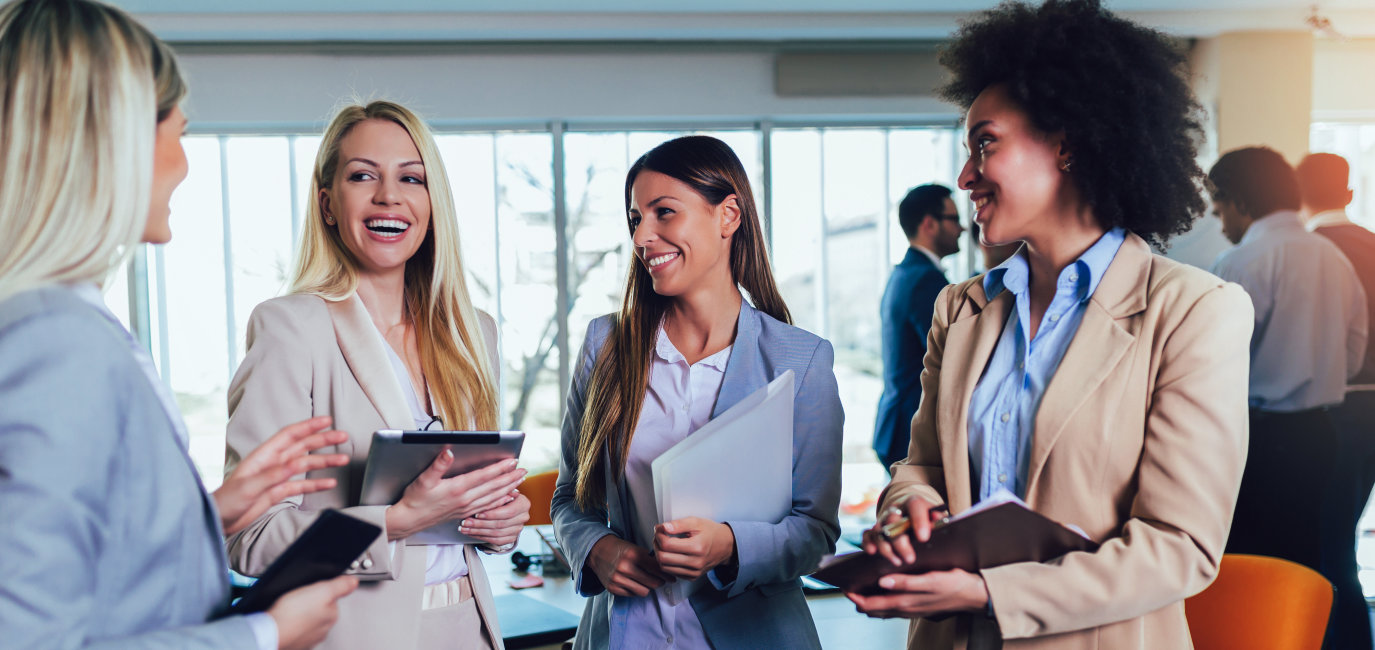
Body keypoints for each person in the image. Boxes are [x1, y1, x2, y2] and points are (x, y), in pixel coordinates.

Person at [847, 1, 1254, 648]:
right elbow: (917, 466)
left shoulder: (1193, 311)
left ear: (1066, 144)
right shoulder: (961, 309)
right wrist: (909, 511)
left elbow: (1178, 548)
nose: (964, 177)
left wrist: (990, 594)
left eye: (985, 143)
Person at [0, 1, 358, 648]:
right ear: (120, 138)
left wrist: (207, 513)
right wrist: (261, 635)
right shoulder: (56, 343)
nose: (186, 164)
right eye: (180, 133)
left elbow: (89, 563)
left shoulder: (69, 322)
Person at [224, 100, 531, 650]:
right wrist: (395, 521)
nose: (389, 195)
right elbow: (250, 540)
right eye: (363, 175)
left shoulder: (473, 333)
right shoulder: (291, 329)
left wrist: (498, 522)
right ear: (327, 204)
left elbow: (467, 504)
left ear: (432, 203)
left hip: (470, 627)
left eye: (410, 178)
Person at [550, 135, 844, 649]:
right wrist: (596, 548)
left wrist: (731, 545)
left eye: (664, 213)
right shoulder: (606, 346)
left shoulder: (803, 360)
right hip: (623, 635)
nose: (643, 236)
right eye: (636, 219)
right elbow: (570, 500)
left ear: (728, 216)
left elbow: (815, 531)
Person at [1209, 148, 1367, 568]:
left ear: (1240, 201)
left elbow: (1213, 363)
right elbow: (1354, 348)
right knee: (1311, 558)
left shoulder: (1239, 262)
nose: (1218, 220)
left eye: (1218, 205)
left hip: (1259, 437)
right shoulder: (1334, 258)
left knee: (1249, 561)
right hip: (1321, 433)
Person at [1298, 151, 1375, 650]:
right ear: (1349, 194)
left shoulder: (1309, 254)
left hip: (1333, 410)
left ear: (1300, 198)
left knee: (1327, 542)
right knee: (1341, 534)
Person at [873, 184, 961, 473]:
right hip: (911, 428)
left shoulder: (903, 273)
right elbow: (951, 357)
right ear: (929, 224)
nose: (961, 228)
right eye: (953, 218)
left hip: (895, 423)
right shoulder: (926, 280)